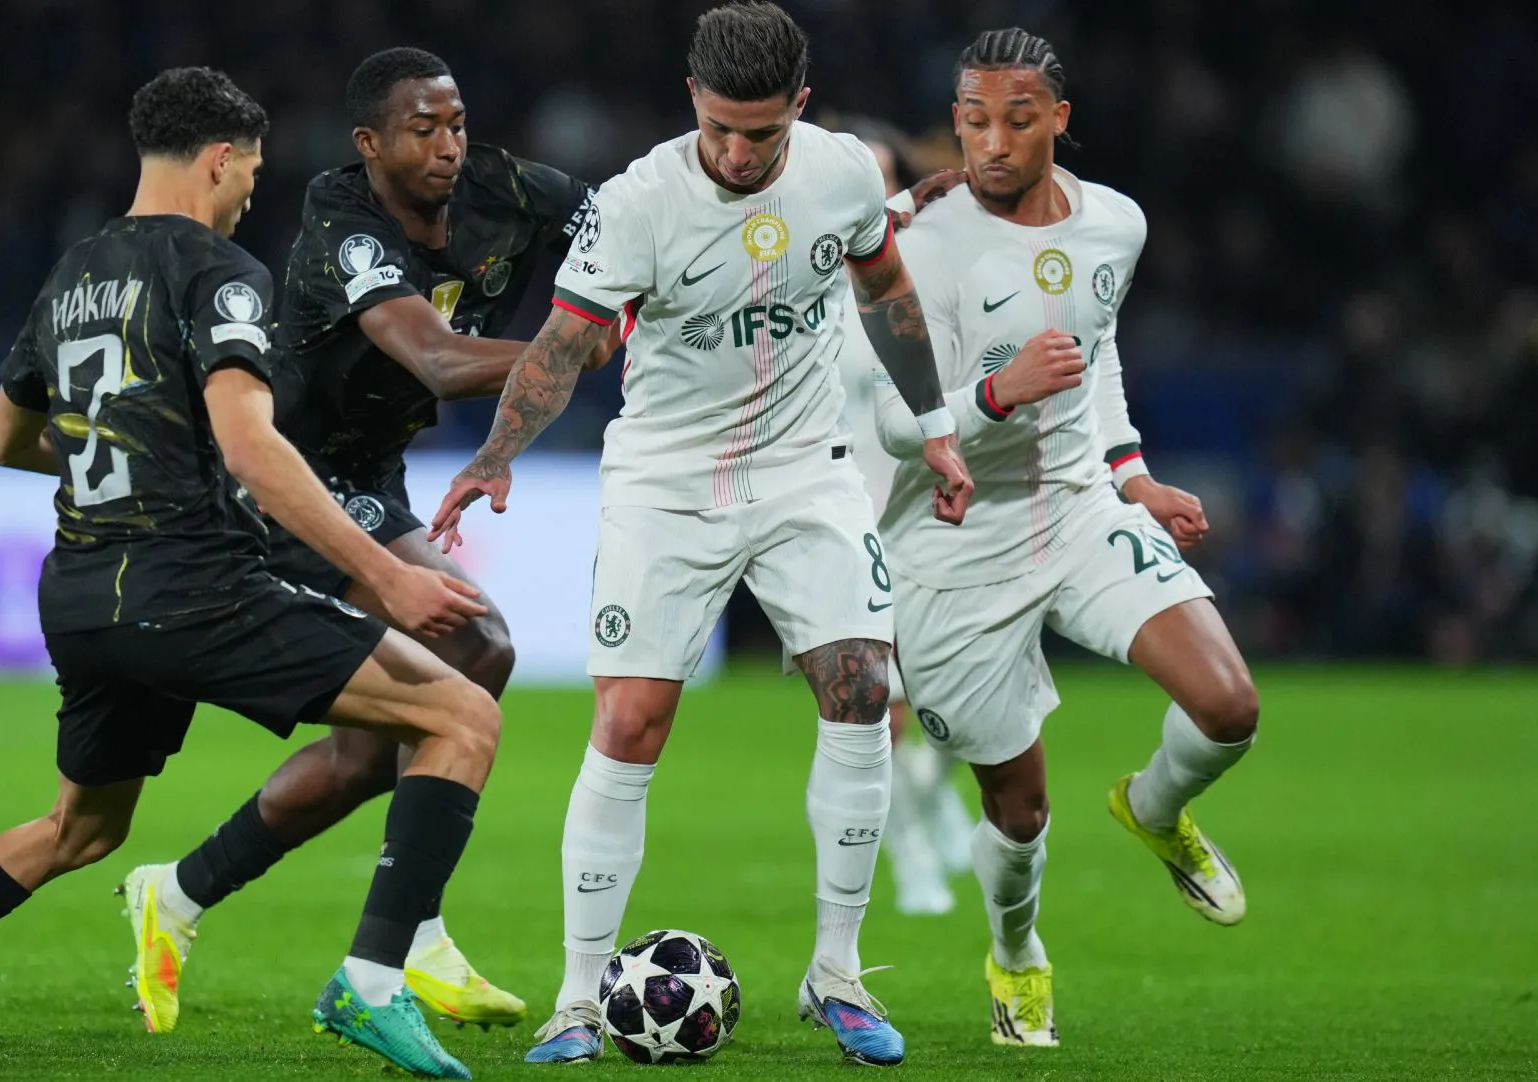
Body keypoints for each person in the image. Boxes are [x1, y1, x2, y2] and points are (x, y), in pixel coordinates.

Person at [0, 67, 496, 1080]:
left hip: (79, 592)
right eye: (248, 167)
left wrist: (126, 449)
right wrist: (387, 571)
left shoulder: (71, 274)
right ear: (220, 158)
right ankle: (374, 980)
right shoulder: (222, 269)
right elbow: (252, 447)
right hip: (192, 584)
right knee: (464, 716)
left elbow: (5, 438)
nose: (251, 186)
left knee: (79, 827)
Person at [430, 2, 973, 1067]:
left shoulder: (844, 175)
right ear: (693, 100)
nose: (737, 151)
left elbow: (887, 292)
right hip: (666, 476)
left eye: (761, 134)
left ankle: (838, 974)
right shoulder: (637, 202)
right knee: (631, 721)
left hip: (806, 465)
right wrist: (496, 455)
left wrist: (940, 430)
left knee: (864, 688)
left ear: (799, 111)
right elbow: (564, 342)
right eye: (721, 127)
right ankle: (579, 998)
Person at [115, 46, 609, 1034]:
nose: (447, 145)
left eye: (457, 121)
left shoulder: (502, 188)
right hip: (287, 483)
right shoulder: (341, 229)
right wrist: (584, 344)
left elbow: (630, 220)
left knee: (368, 753)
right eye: (421, 129)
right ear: (369, 143)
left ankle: (177, 892)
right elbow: (435, 356)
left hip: (375, 480)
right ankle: (409, 940)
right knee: (475, 651)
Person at [866, 29, 1260, 1047]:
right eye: (973, 118)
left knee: (1227, 705)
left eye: (1018, 118)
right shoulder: (918, 247)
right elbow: (892, 423)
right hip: (955, 541)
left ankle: (1156, 808)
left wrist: (1132, 473)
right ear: (954, 119)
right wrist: (998, 393)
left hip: (1080, 506)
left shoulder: (1116, 225)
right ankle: (1016, 952)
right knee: (1022, 810)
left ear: (1060, 122)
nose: (992, 141)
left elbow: (1095, 351)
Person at [818, 113, 977, 916]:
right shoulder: (801, 288)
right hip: (840, 524)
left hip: (928, 514)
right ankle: (912, 853)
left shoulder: (924, 289)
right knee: (879, 709)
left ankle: (936, 799)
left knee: (962, 705)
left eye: (882, 181)